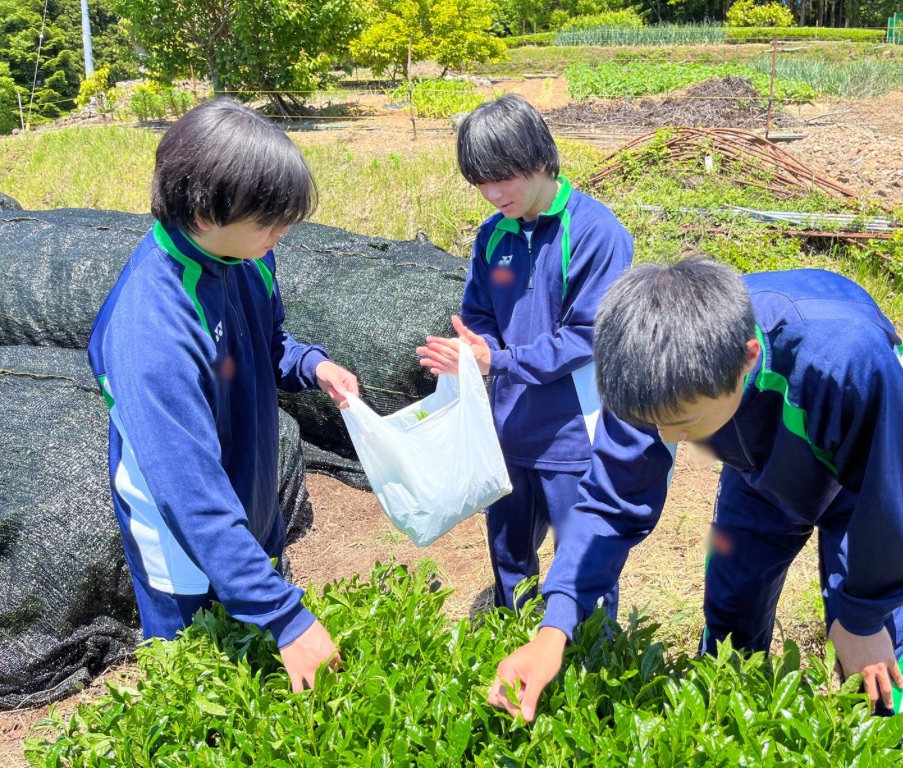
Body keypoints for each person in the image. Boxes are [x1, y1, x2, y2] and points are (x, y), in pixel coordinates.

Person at [488, 257, 903, 725]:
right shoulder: (644, 370)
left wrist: (863, 617)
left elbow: (891, 490)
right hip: (755, 469)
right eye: (651, 424)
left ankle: (898, 738)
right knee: (731, 611)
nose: (661, 438)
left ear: (746, 358)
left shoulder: (842, 358)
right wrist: (554, 628)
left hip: (859, 478)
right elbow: (607, 505)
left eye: (682, 423)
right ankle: (731, 724)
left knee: (874, 666)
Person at [88, 98, 359, 693]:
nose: (281, 233)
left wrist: (313, 367)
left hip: (250, 501)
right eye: (269, 220)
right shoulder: (153, 325)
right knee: (204, 693)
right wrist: (287, 616)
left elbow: (268, 343)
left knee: (269, 681)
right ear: (207, 212)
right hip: (186, 545)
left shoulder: (248, 257)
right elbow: (190, 494)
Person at [417, 94, 667, 621]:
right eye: (480, 182)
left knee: (581, 559)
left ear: (538, 159)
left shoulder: (596, 231)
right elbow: (478, 313)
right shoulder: (493, 236)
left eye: (501, 177)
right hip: (508, 428)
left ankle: (592, 661)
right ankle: (514, 641)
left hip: (574, 431)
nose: (491, 193)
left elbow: (588, 335)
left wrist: (498, 362)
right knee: (509, 553)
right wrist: (470, 348)